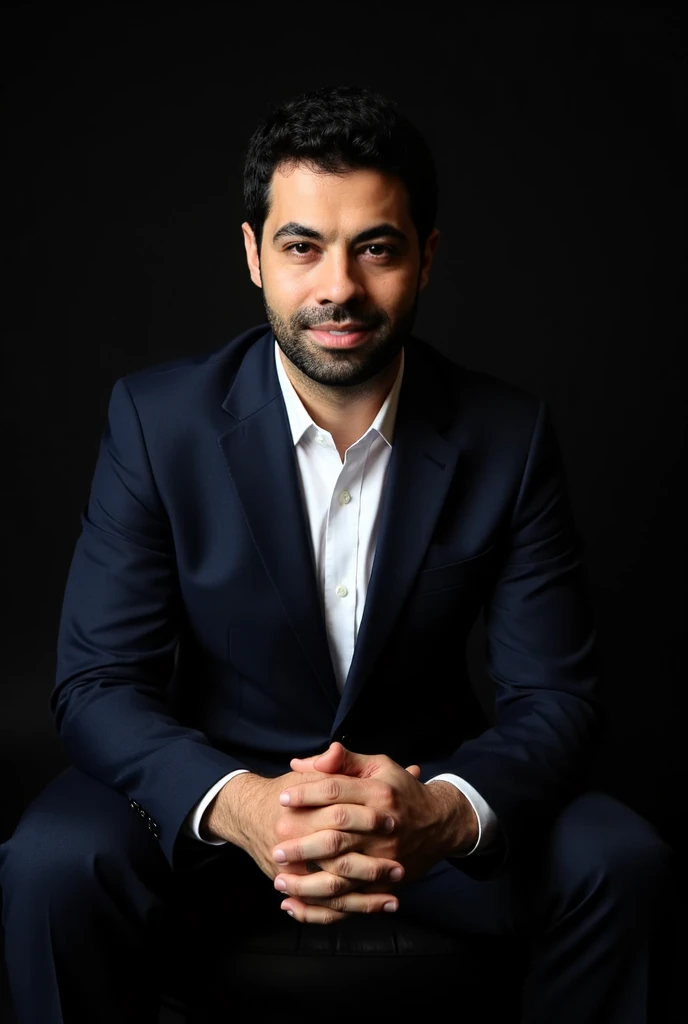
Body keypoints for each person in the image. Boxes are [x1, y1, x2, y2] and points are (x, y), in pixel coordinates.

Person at [0, 84, 673, 1023]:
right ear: (252, 255)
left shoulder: (506, 436)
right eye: (302, 246)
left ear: (427, 259)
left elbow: (556, 696)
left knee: (622, 860)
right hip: (212, 809)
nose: (339, 288)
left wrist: (441, 810)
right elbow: (98, 683)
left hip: (415, 813)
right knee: (50, 862)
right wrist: (238, 803)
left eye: (378, 248)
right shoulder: (157, 422)